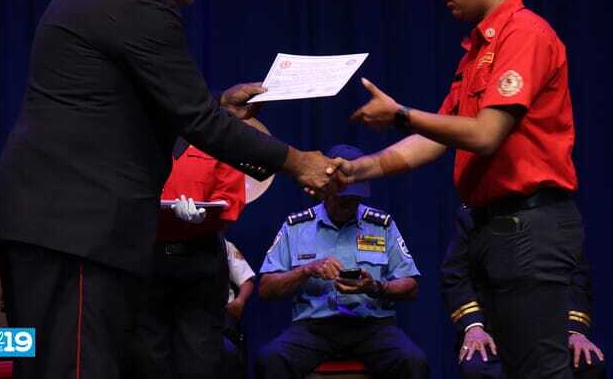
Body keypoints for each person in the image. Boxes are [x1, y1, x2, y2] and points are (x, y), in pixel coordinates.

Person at [0, 0, 343, 379]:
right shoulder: (141, 2)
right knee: (79, 369)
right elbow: (197, 122)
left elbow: (118, 103)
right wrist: (298, 161)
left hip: (52, 222)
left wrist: (219, 107)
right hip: (76, 227)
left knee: (55, 365)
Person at [343, 0, 583, 378]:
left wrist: (400, 114)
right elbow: (436, 137)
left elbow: (486, 134)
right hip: (490, 227)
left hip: (529, 225)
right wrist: (360, 169)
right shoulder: (477, 51)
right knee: (510, 369)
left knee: (540, 370)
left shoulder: (524, 33)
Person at [255, 144, 429, 379]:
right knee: (271, 359)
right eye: (342, 198)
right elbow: (266, 288)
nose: (347, 204)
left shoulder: (382, 225)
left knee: (413, 361)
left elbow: (411, 286)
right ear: (325, 190)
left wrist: (375, 287)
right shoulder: (296, 227)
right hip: (314, 328)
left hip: (372, 327)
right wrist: (306, 270)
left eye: (354, 199)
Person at [130, 136, 252, 379]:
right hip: (149, 260)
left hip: (200, 262)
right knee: (148, 358)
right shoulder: (138, 135)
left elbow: (231, 198)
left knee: (199, 358)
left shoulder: (215, 138)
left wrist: (207, 214)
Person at [442, 206, 606, 378]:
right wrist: (473, 327)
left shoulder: (556, 211)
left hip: (553, 331)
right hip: (492, 330)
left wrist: (575, 331)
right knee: (479, 369)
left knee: (589, 364)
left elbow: (577, 277)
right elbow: (456, 275)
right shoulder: (475, 213)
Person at [224, 238, 255, 378]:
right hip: (186, 315)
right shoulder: (172, 247)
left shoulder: (223, 245)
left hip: (221, 317)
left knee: (228, 351)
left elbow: (247, 279)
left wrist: (240, 301)